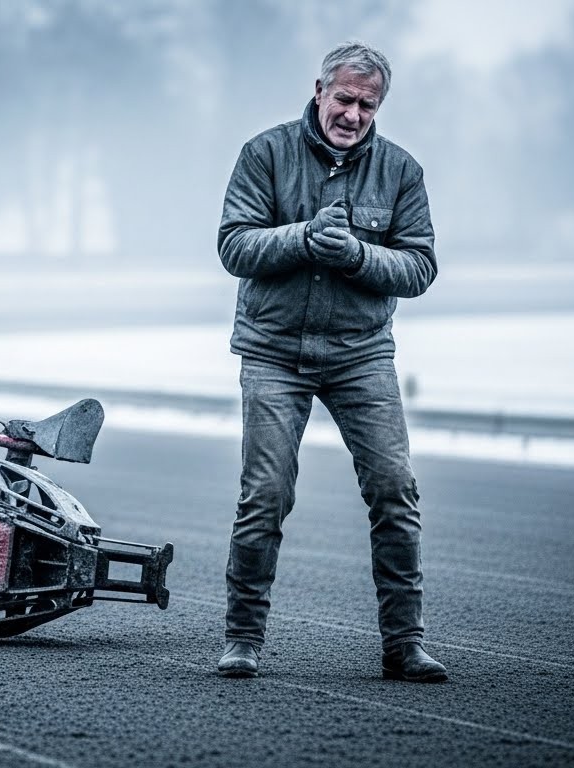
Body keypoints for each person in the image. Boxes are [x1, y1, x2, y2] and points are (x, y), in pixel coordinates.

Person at [215, 42, 446, 682]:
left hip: (360, 355)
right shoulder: (264, 153)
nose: (353, 113)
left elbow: (421, 266)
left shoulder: (402, 172)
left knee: (395, 490)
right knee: (265, 494)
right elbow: (233, 245)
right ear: (318, 90)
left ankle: (405, 645)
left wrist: (357, 257)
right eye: (344, 98)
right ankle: (241, 639)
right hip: (273, 352)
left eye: (367, 105)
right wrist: (302, 237)